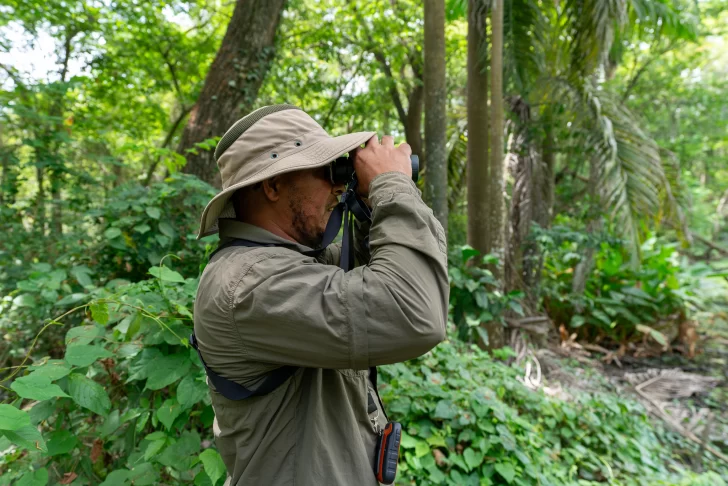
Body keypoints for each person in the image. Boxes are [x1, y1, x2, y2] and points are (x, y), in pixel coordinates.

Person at [193, 104, 449, 485]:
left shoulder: (291, 262)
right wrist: (392, 186)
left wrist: (366, 203)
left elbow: (389, 272)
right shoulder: (249, 285)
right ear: (273, 185)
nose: (339, 185)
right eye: (326, 171)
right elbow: (414, 311)